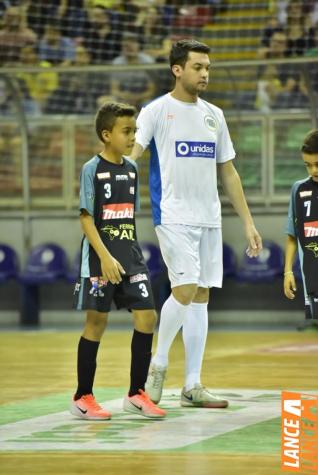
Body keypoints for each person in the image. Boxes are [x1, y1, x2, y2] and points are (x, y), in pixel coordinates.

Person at [130, 39, 263, 408]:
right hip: (171, 214)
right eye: (197, 67)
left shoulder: (214, 115)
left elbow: (229, 171)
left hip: (209, 218)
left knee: (201, 296)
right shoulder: (155, 111)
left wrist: (248, 223)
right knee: (185, 288)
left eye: (208, 68)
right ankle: (158, 364)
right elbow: (132, 156)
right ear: (177, 69)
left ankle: (192, 384)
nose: (204, 73)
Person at [71, 101, 166, 419]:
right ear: (106, 134)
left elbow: (126, 217)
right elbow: (87, 219)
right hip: (100, 259)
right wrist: (106, 257)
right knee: (96, 322)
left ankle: (136, 393)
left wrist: (125, 255)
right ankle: (82, 396)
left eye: (135, 130)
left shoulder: (132, 168)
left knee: (147, 317)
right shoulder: (91, 169)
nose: (133, 136)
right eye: (127, 131)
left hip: (131, 255)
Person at [284, 129, 318, 324]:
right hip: (311, 278)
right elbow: (292, 235)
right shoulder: (298, 189)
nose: (314, 170)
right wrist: (288, 271)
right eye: (308, 165)